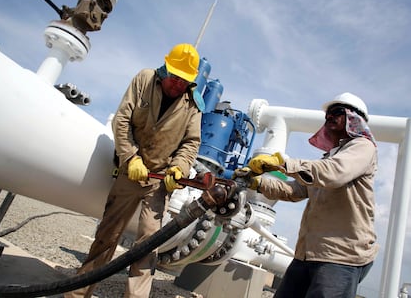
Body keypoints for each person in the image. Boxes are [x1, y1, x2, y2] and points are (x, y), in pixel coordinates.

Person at [65, 43, 203, 298]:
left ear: (191, 81)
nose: (177, 84)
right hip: (130, 173)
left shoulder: (193, 105)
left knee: (147, 246)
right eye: (174, 77)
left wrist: (178, 168)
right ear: (166, 69)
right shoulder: (145, 79)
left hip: (160, 182)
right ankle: (77, 294)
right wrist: (130, 158)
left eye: (183, 80)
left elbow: (191, 142)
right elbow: (123, 119)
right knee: (107, 236)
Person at [237, 92, 378, 298]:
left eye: (337, 112)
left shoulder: (363, 147)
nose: (329, 117)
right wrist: (258, 183)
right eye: (327, 114)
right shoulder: (328, 158)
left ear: (354, 119)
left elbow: (334, 173)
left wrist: (283, 164)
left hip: (341, 258)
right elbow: (296, 191)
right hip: (307, 254)